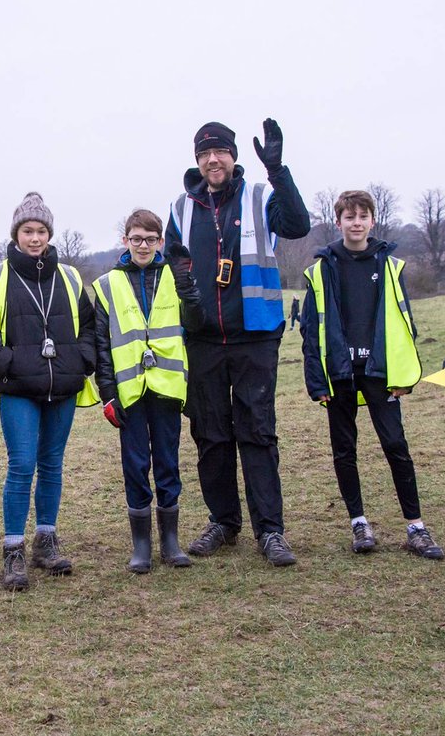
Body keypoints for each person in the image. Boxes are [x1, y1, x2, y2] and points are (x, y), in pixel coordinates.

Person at [164, 120, 310, 566]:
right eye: (205, 155)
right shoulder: (180, 209)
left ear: (233, 157)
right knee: (209, 435)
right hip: (203, 340)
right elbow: (172, 266)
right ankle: (224, 521)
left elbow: (299, 226)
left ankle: (270, 531)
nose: (213, 161)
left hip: (255, 336)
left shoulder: (260, 197)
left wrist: (278, 171)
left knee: (257, 432)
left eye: (221, 153)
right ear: (197, 161)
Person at [0, 193, 98, 591]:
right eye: (27, 231)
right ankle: (13, 549)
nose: (34, 238)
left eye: (41, 231)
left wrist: (80, 361)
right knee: (22, 465)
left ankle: (46, 540)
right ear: (16, 233)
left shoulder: (71, 277)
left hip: (63, 387)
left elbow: (89, 328)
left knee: (52, 464)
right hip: (18, 388)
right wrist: (8, 363)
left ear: (49, 234)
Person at [301, 190, 444, 559]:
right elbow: (310, 331)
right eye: (349, 217)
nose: (357, 222)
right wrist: (317, 381)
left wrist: (405, 374)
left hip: (381, 372)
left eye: (363, 216)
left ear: (372, 220)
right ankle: (359, 524)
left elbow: (403, 322)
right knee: (344, 450)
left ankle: (416, 527)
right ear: (339, 222)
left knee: (395, 445)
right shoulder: (321, 270)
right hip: (339, 373)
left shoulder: (391, 266)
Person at [93, 209, 201, 573]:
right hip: (129, 390)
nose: (143, 245)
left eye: (151, 239)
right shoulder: (106, 284)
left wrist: (191, 292)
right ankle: (141, 544)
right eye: (136, 238)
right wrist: (107, 393)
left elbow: (196, 325)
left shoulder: (175, 275)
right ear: (125, 240)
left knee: (168, 463)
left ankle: (170, 541)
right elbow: (101, 345)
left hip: (168, 387)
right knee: (136, 465)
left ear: (160, 242)